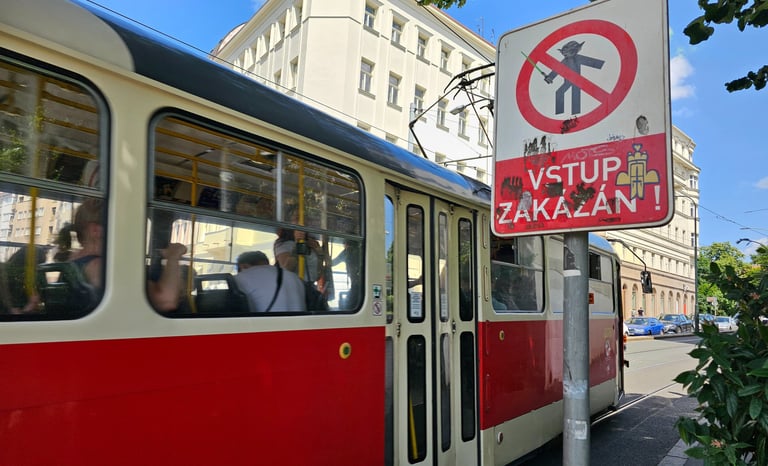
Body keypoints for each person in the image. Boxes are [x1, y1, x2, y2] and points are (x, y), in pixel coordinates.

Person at [57, 199, 187, 311]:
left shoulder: (73, 262)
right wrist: (173, 256)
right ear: (95, 230)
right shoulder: (100, 267)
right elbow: (166, 300)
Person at [235, 251, 305, 312]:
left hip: (267, 325)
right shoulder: (295, 277)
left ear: (244, 266)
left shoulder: (243, 277)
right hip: (301, 325)